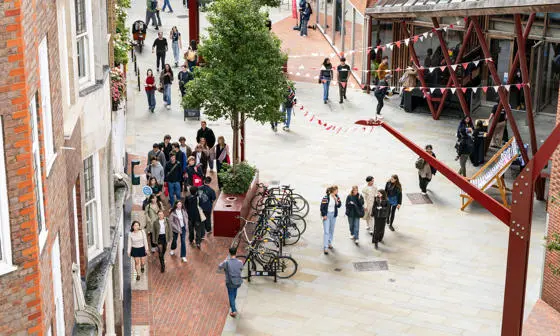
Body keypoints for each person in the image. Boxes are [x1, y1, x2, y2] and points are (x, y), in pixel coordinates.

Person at [218, 247, 244, 318]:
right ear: (236, 253)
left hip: (230, 282)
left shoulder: (227, 262)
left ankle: (233, 310)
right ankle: (233, 305)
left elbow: (219, 266)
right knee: (234, 292)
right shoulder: (240, 262)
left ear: (229, 253)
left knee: (231, 295)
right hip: (238, 281)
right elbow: (241, 268)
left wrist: (224, 260)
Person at [320, 186, 341, 255]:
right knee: (326, 231)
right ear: (333, 191)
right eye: (336, 190)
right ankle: (325, 247)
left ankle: (329, 243)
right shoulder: (326, 197)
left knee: (331, 230)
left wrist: (335, 199)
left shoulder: (337, 197)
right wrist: (324, 215)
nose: (337, 191)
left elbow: (339, 205)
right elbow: (322, 207)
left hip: (333, 215)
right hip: (327, 215)